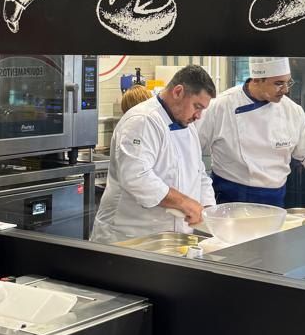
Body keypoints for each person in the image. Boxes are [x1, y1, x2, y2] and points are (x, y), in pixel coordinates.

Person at [196, 57, 305, 208]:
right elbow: (192, 151)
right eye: (278, 83)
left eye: (288, 82)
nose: (286, 90)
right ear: (256, 79)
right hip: (229, 199)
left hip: (274, 201)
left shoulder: (292, 111)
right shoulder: (221, 106)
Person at [91, 64, 217, 244]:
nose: (199, 116)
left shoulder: (187, 127)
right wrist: (184, 202)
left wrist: (207, 209)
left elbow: (199, 174)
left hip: (171, 238)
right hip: (129, 237)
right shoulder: (142, 121)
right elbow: (137, 178)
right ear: (178, 92)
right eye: (197, 106)